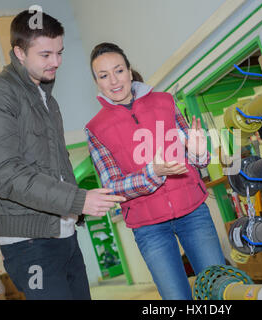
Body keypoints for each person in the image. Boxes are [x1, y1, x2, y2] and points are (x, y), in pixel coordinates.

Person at [0, 11, 125, 300]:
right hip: (30, 244)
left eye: (60, 52)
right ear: (19, 52)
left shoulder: (44, 98)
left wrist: (73, 209)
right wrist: (78, 199)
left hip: (64, 235)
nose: (56, 62)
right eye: (46, 54)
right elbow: (4, 173)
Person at [86, 42, 226, 300]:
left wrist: (198, 150)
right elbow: (112, 186)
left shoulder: (165, 101)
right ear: (97, 83)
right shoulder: (95, 128)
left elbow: (200, 160)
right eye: (104, 76)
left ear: (129, 71)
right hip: (148, 226)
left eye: (118, 71)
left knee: (217, 289)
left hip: (192, 211)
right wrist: (153, 173)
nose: (114, 81)